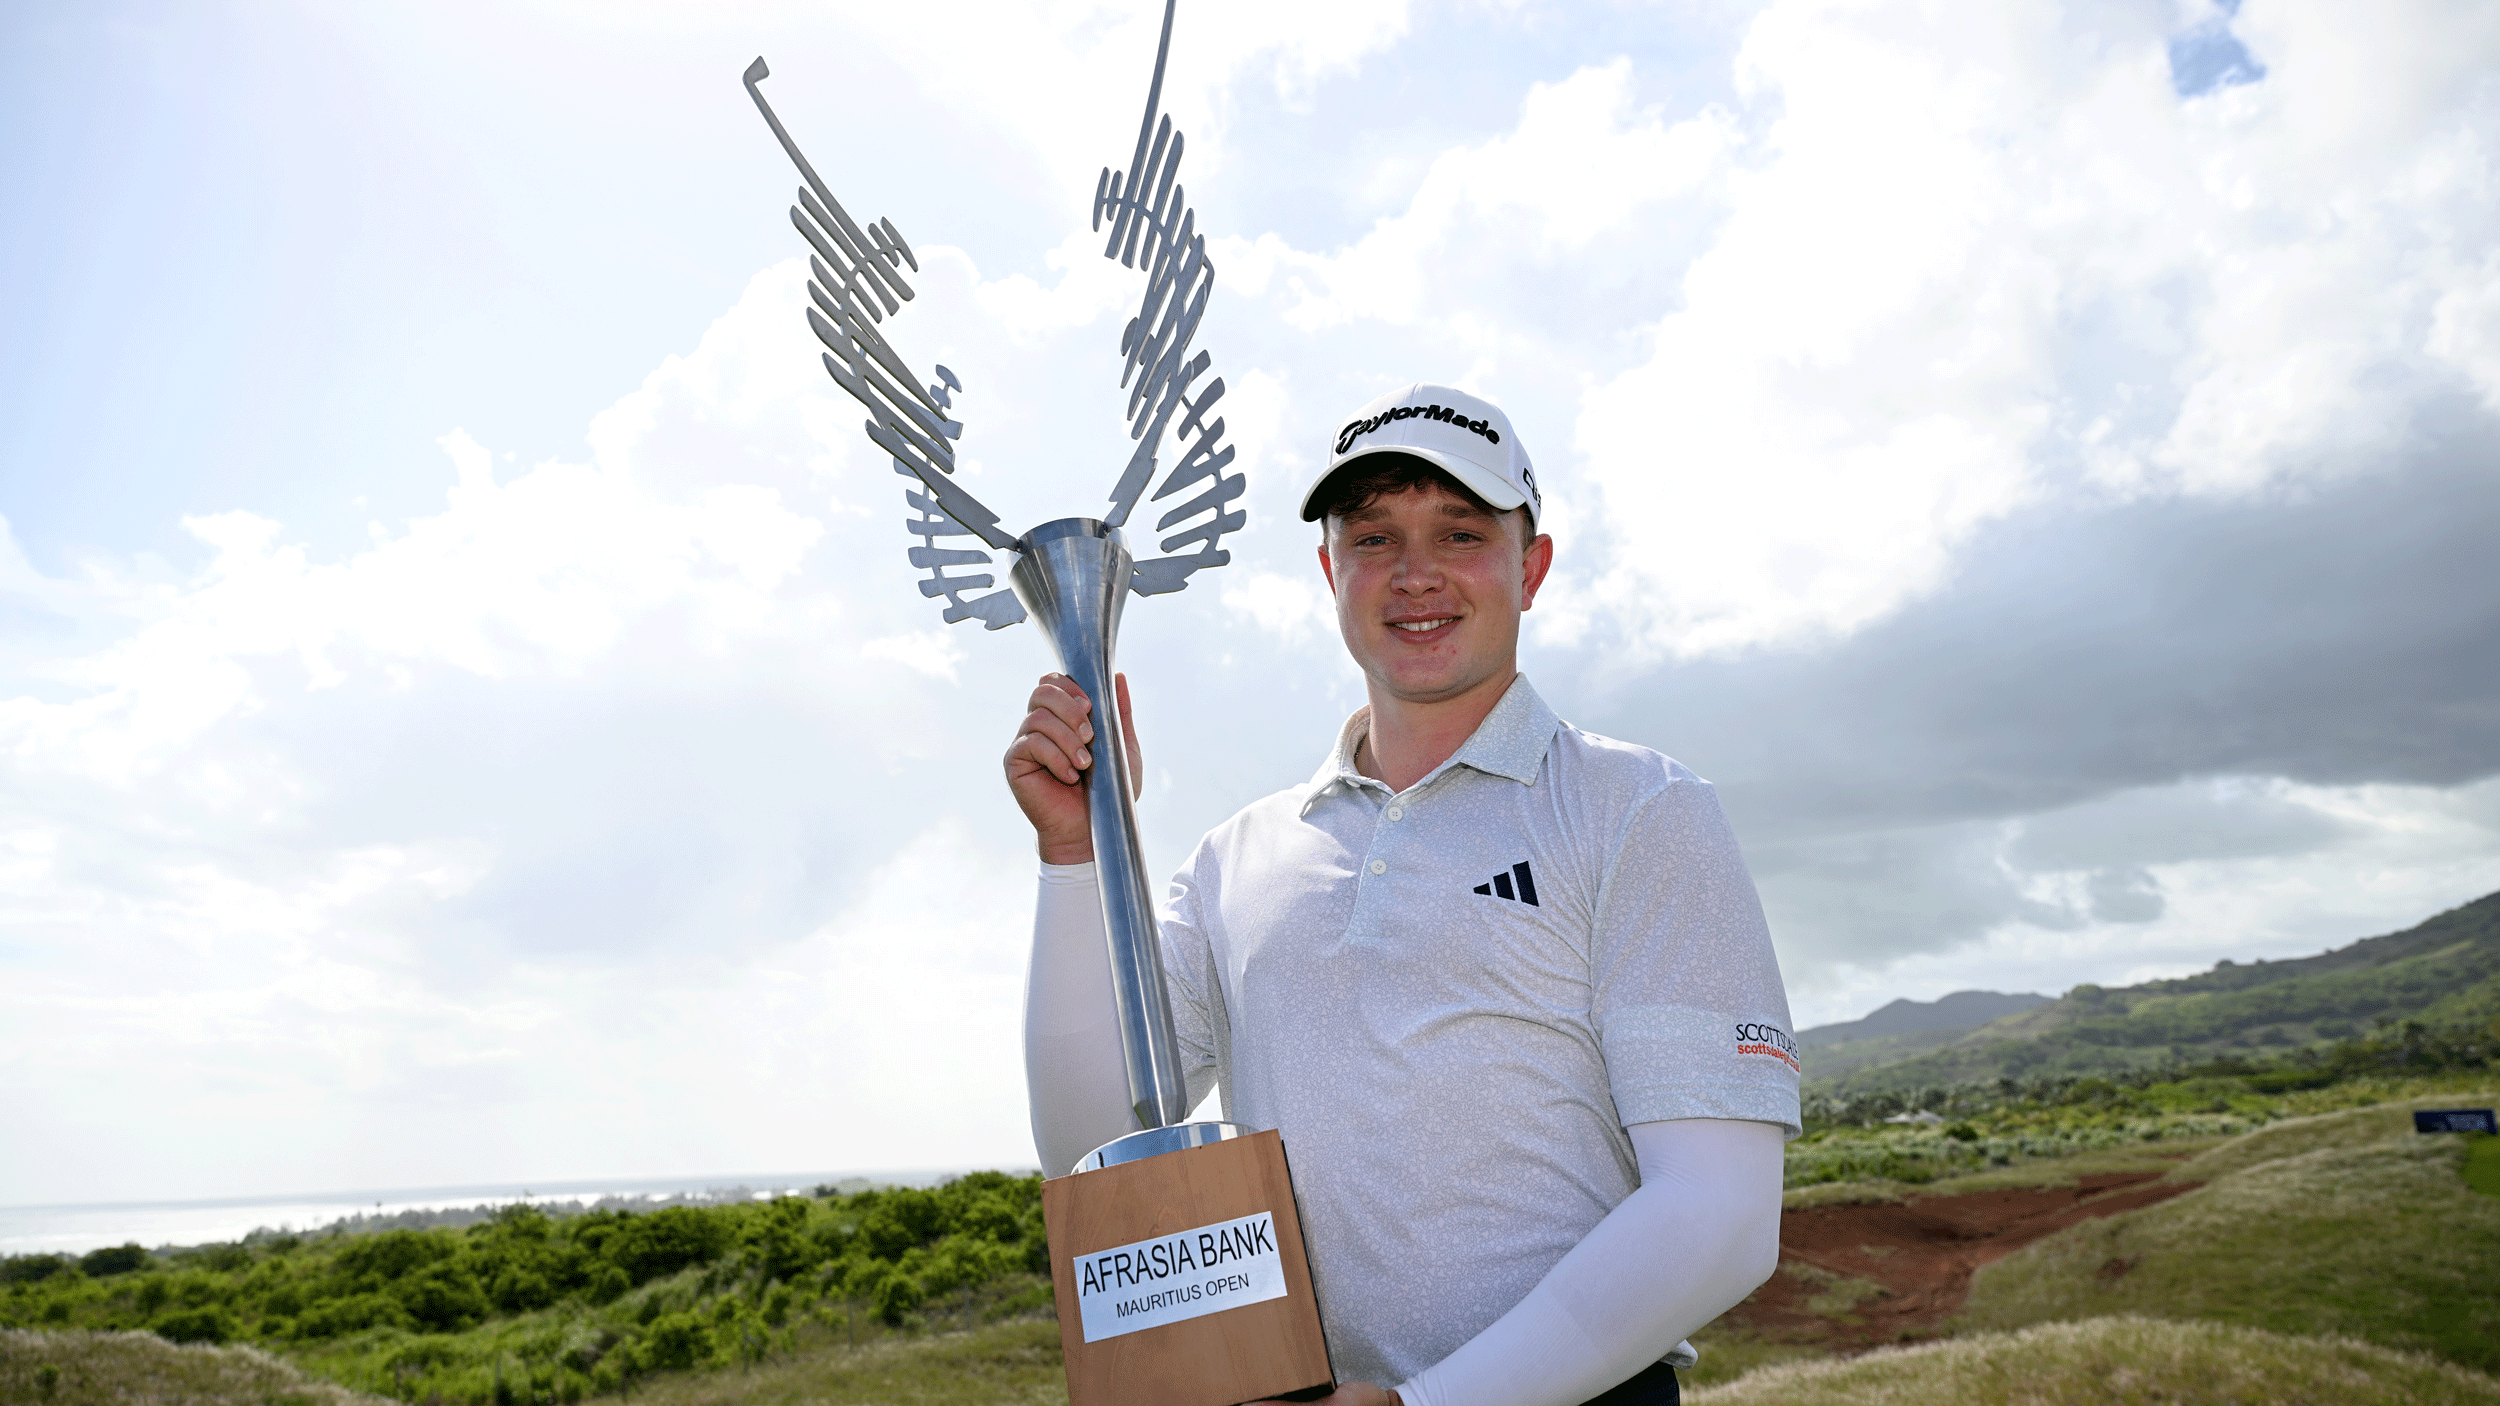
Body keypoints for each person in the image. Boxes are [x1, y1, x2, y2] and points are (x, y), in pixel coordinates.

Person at [1006, 384, 1800, 1406]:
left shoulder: (1638, 807)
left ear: (1531, 566)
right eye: (1374, 537)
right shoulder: (1237, 858)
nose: (1415, 573)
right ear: (1330, 571)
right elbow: (1090, 1146)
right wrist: (1075, 855)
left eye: (1461, 532)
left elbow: (1722, 1213)